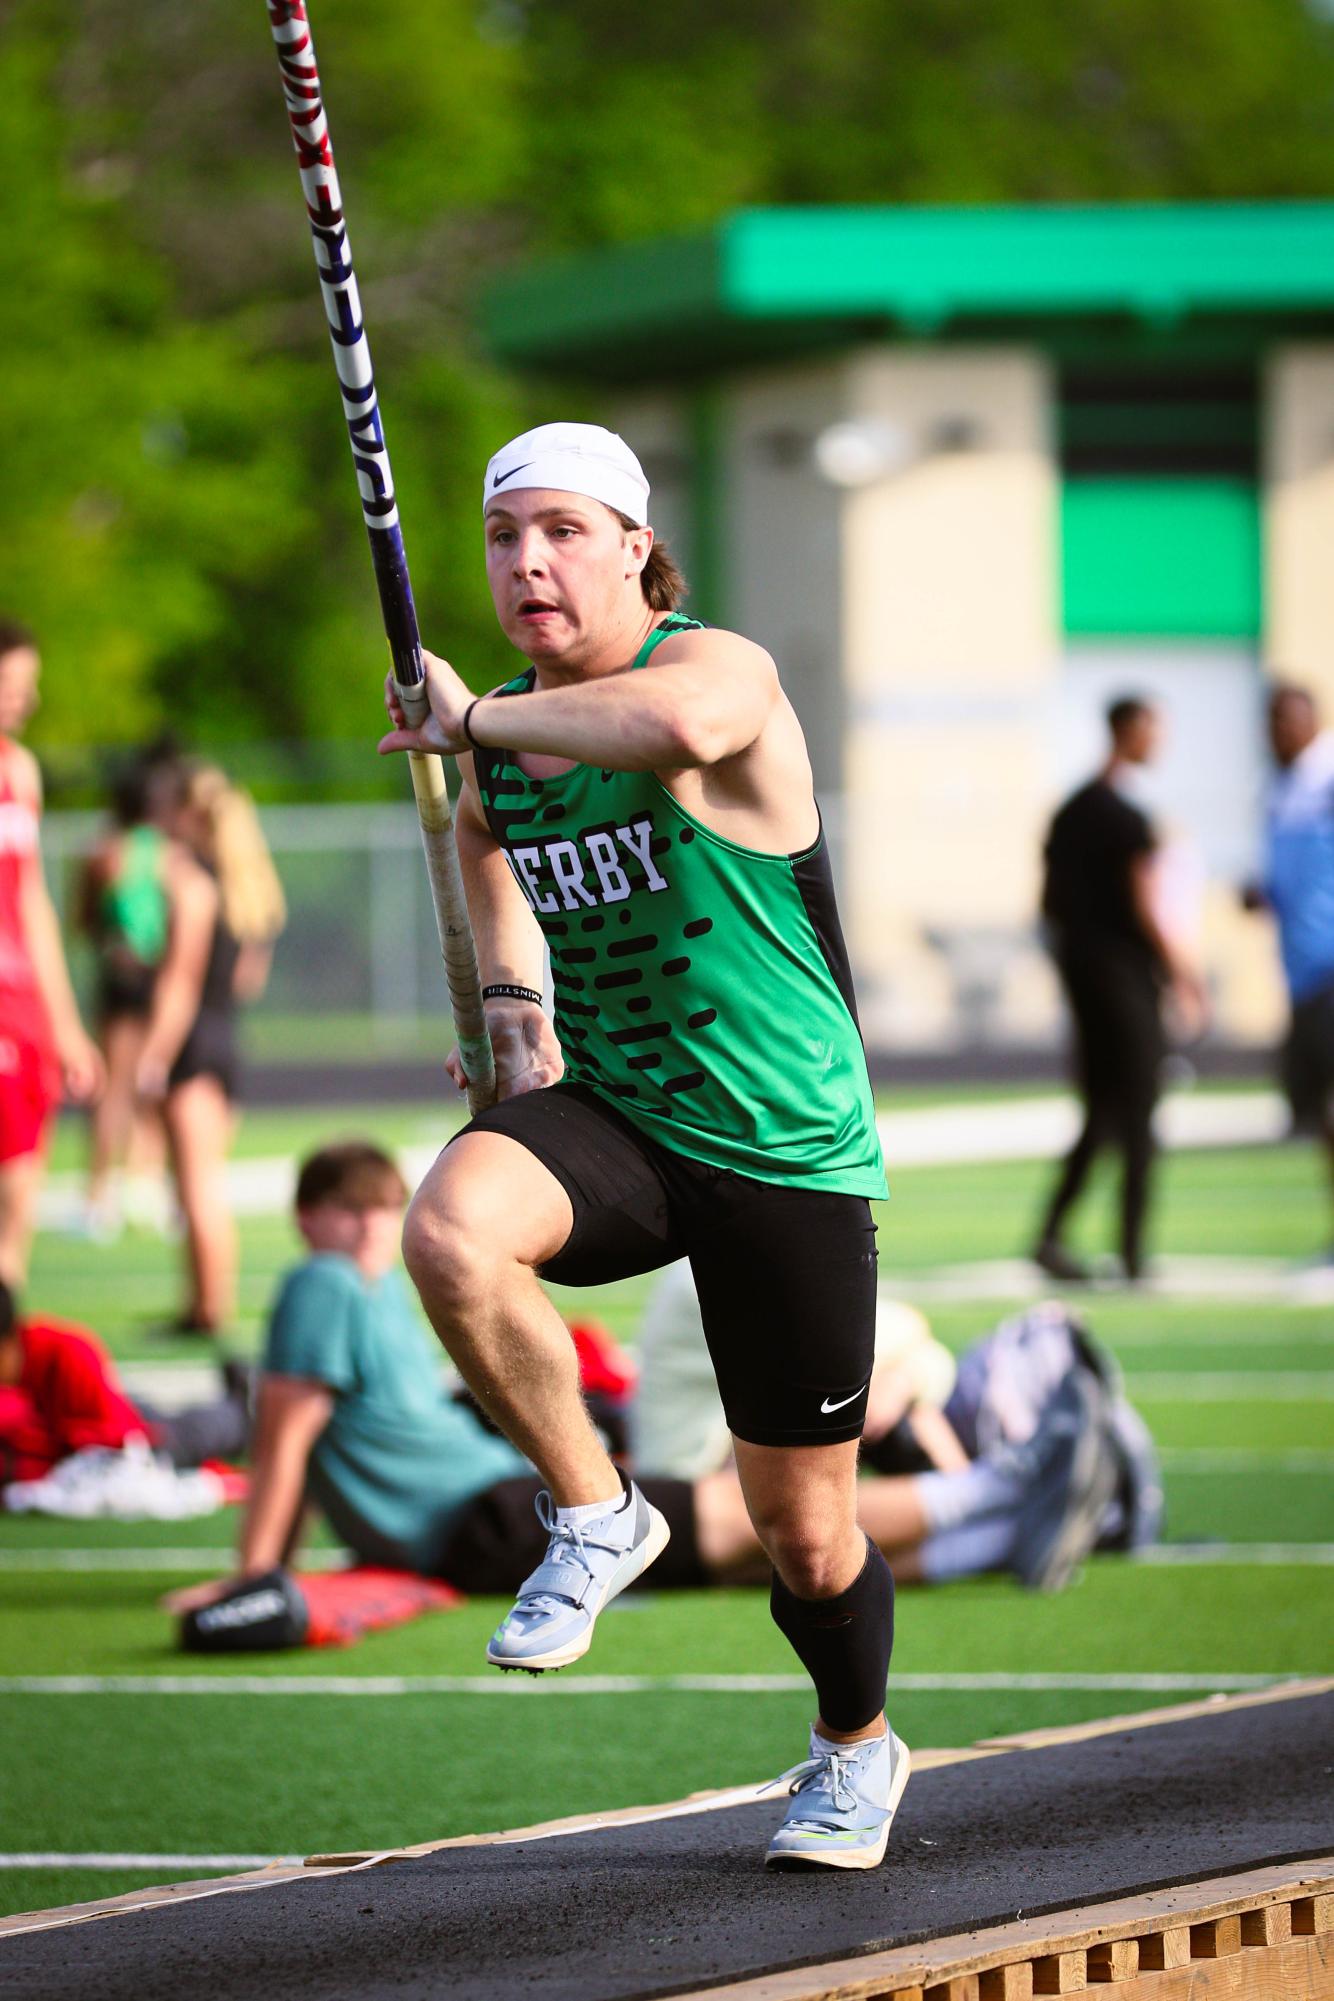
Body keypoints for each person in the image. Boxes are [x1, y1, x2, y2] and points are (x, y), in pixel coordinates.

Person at [375, 420, 1098, 1871]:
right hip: (628, 1117)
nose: (527, 563)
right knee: (449, 1225)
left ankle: (854, 1743)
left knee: (801, 1533)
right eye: (505, 537)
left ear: (635, 543)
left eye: (563, 531)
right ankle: (594, 1511)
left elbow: (673, 735)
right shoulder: (505, 737)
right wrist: (519, 1026)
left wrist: (477, 725)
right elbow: (484, 848)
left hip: (784, 1148)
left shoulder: (718, 670)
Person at [163, 1143, 1130, 1649]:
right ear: (310, 1218)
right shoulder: (335, 1285)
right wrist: (260, 1575)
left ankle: (1006, 1506)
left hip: (486, 1507)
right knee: (743, 1539)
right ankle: (1009, 1500)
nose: (378, 1230)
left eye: (386, 1210)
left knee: (751, 1541)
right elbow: (285, 1438)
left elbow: (295, 1438)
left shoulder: (342, 1286)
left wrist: (262, 1572)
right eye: (357, 1214)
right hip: (482, 1511)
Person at [1034, 695, 1206, 1285]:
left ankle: (1051, 1234)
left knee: (1102, 1112)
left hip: (1086, 984)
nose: (1157, 739)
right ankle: (1132, 1252)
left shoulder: (1072, 809)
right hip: (1127, 984)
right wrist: (1184, 972)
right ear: (1128, 731)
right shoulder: (1126, 818)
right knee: (1138, 1110)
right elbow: (1147, 901)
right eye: (1152, 728)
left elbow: (1048, 903)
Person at [137, 761, 286, 1333]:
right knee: (200, 1183)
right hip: (226, 1038)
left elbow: (178, 981)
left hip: (193, 1043)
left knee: (195, 1188)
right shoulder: (247, 891)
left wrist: (152, 1056)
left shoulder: (193, 885)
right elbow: (248, 982)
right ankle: (200, 1304)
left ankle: (207, 1311)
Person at [0, 621, 103, 1285]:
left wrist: (65, 1027)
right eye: (13, 684)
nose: (27, 700)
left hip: (22, 1015)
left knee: (16, 1211)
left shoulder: (19, 770)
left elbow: (31, 900)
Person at [75, 741, 180, 1240]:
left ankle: (99, 1197)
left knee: (113, 1089)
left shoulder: (104, 853)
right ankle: (151, 1186)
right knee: (157, 1081)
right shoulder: (169, 854)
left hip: (122, 974)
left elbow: (84, 921)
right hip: (161, 976)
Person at [0, 1279, 249, 1487]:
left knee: (197, 1433)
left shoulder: (65, 1352)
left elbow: (113, 1443)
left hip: (137, 1438)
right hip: (123, 1409)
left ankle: (248, 1402)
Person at [1248, 684, 1334, 1254]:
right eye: (1274, 720)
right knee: (1316, 1111)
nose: (1281, 731)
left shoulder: (1327, 780)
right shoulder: (1280, 791)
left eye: (1291, 719)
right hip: (1302, 969)